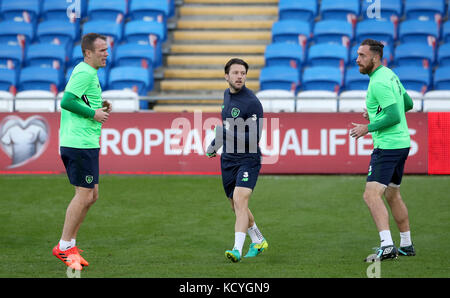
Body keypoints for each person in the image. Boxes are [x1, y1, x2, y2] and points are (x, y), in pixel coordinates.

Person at [350, 39, 416, 261]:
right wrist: (379, 114)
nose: (357, 59)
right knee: (392, 194)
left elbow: (395, 114)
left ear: (374, 58)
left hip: (387, 147)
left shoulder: (378, 81)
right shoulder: (390, 74)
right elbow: (407, 104)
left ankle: (387, 246)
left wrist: (368, 127)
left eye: (361, 55)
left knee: (371, 195)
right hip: (402, 144)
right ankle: (406, 244)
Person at [52, 33, 112, 270]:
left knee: (92, 195)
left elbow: (80, 101)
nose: (106, 54)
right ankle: (64, 245)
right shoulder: (84, 72)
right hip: (78, 143)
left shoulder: (89, 73)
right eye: (101, 50)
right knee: (85, 195)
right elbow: (66, 101)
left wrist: (99, 107)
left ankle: (71, 244)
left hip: (85, 142)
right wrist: (93, 113)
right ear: (88, 53)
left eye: (107, 50)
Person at [206, 58, 268, 263]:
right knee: (236, 205)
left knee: (241, 200)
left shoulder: (252, 102)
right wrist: (214, 145)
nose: (240, 76)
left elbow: (255, 138)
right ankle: (258, 240)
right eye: (235, 73)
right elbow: (226, 127)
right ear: (227, 76)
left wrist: (228, 134)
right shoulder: (226, 95)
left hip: (248, 159)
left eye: (243, 73)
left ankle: (237, 250)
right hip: (228, 160)